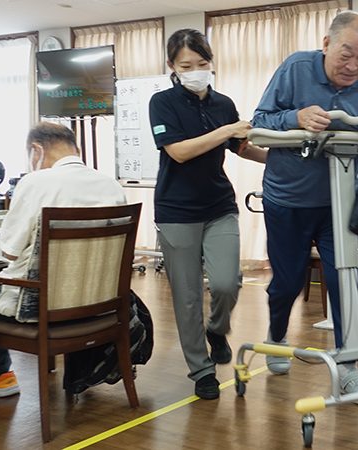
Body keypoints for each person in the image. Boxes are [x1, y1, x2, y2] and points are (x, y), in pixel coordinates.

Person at [251, 11, 358, 404]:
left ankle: (348, 368)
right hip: (288, 199)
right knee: (289, 282)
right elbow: (259, 122)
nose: (353, 66)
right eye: (346, 54)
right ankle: (277, 334)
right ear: (327, 44)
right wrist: (294, 117)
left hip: (339, 202)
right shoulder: (295, 68)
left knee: (344, 280)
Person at [0, 122, 126, 396]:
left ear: (36, 150)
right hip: (98, 302)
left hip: (40, 304)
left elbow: (10, 251)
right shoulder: (110, 184)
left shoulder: (36, 182)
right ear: (75, 148)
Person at [149, 28, 267, 401]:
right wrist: (228, 129)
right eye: (187, 65)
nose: (196, 70)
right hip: (176, 212)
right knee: (186, 298)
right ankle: (201, 370)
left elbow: (241, 148)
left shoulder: (223, 104)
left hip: (218, 207)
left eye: (203, 64)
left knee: (226, 283)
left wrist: (284, 158)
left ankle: (217, 329)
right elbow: (179, 152)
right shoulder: (162, 102)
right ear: (172, 66)